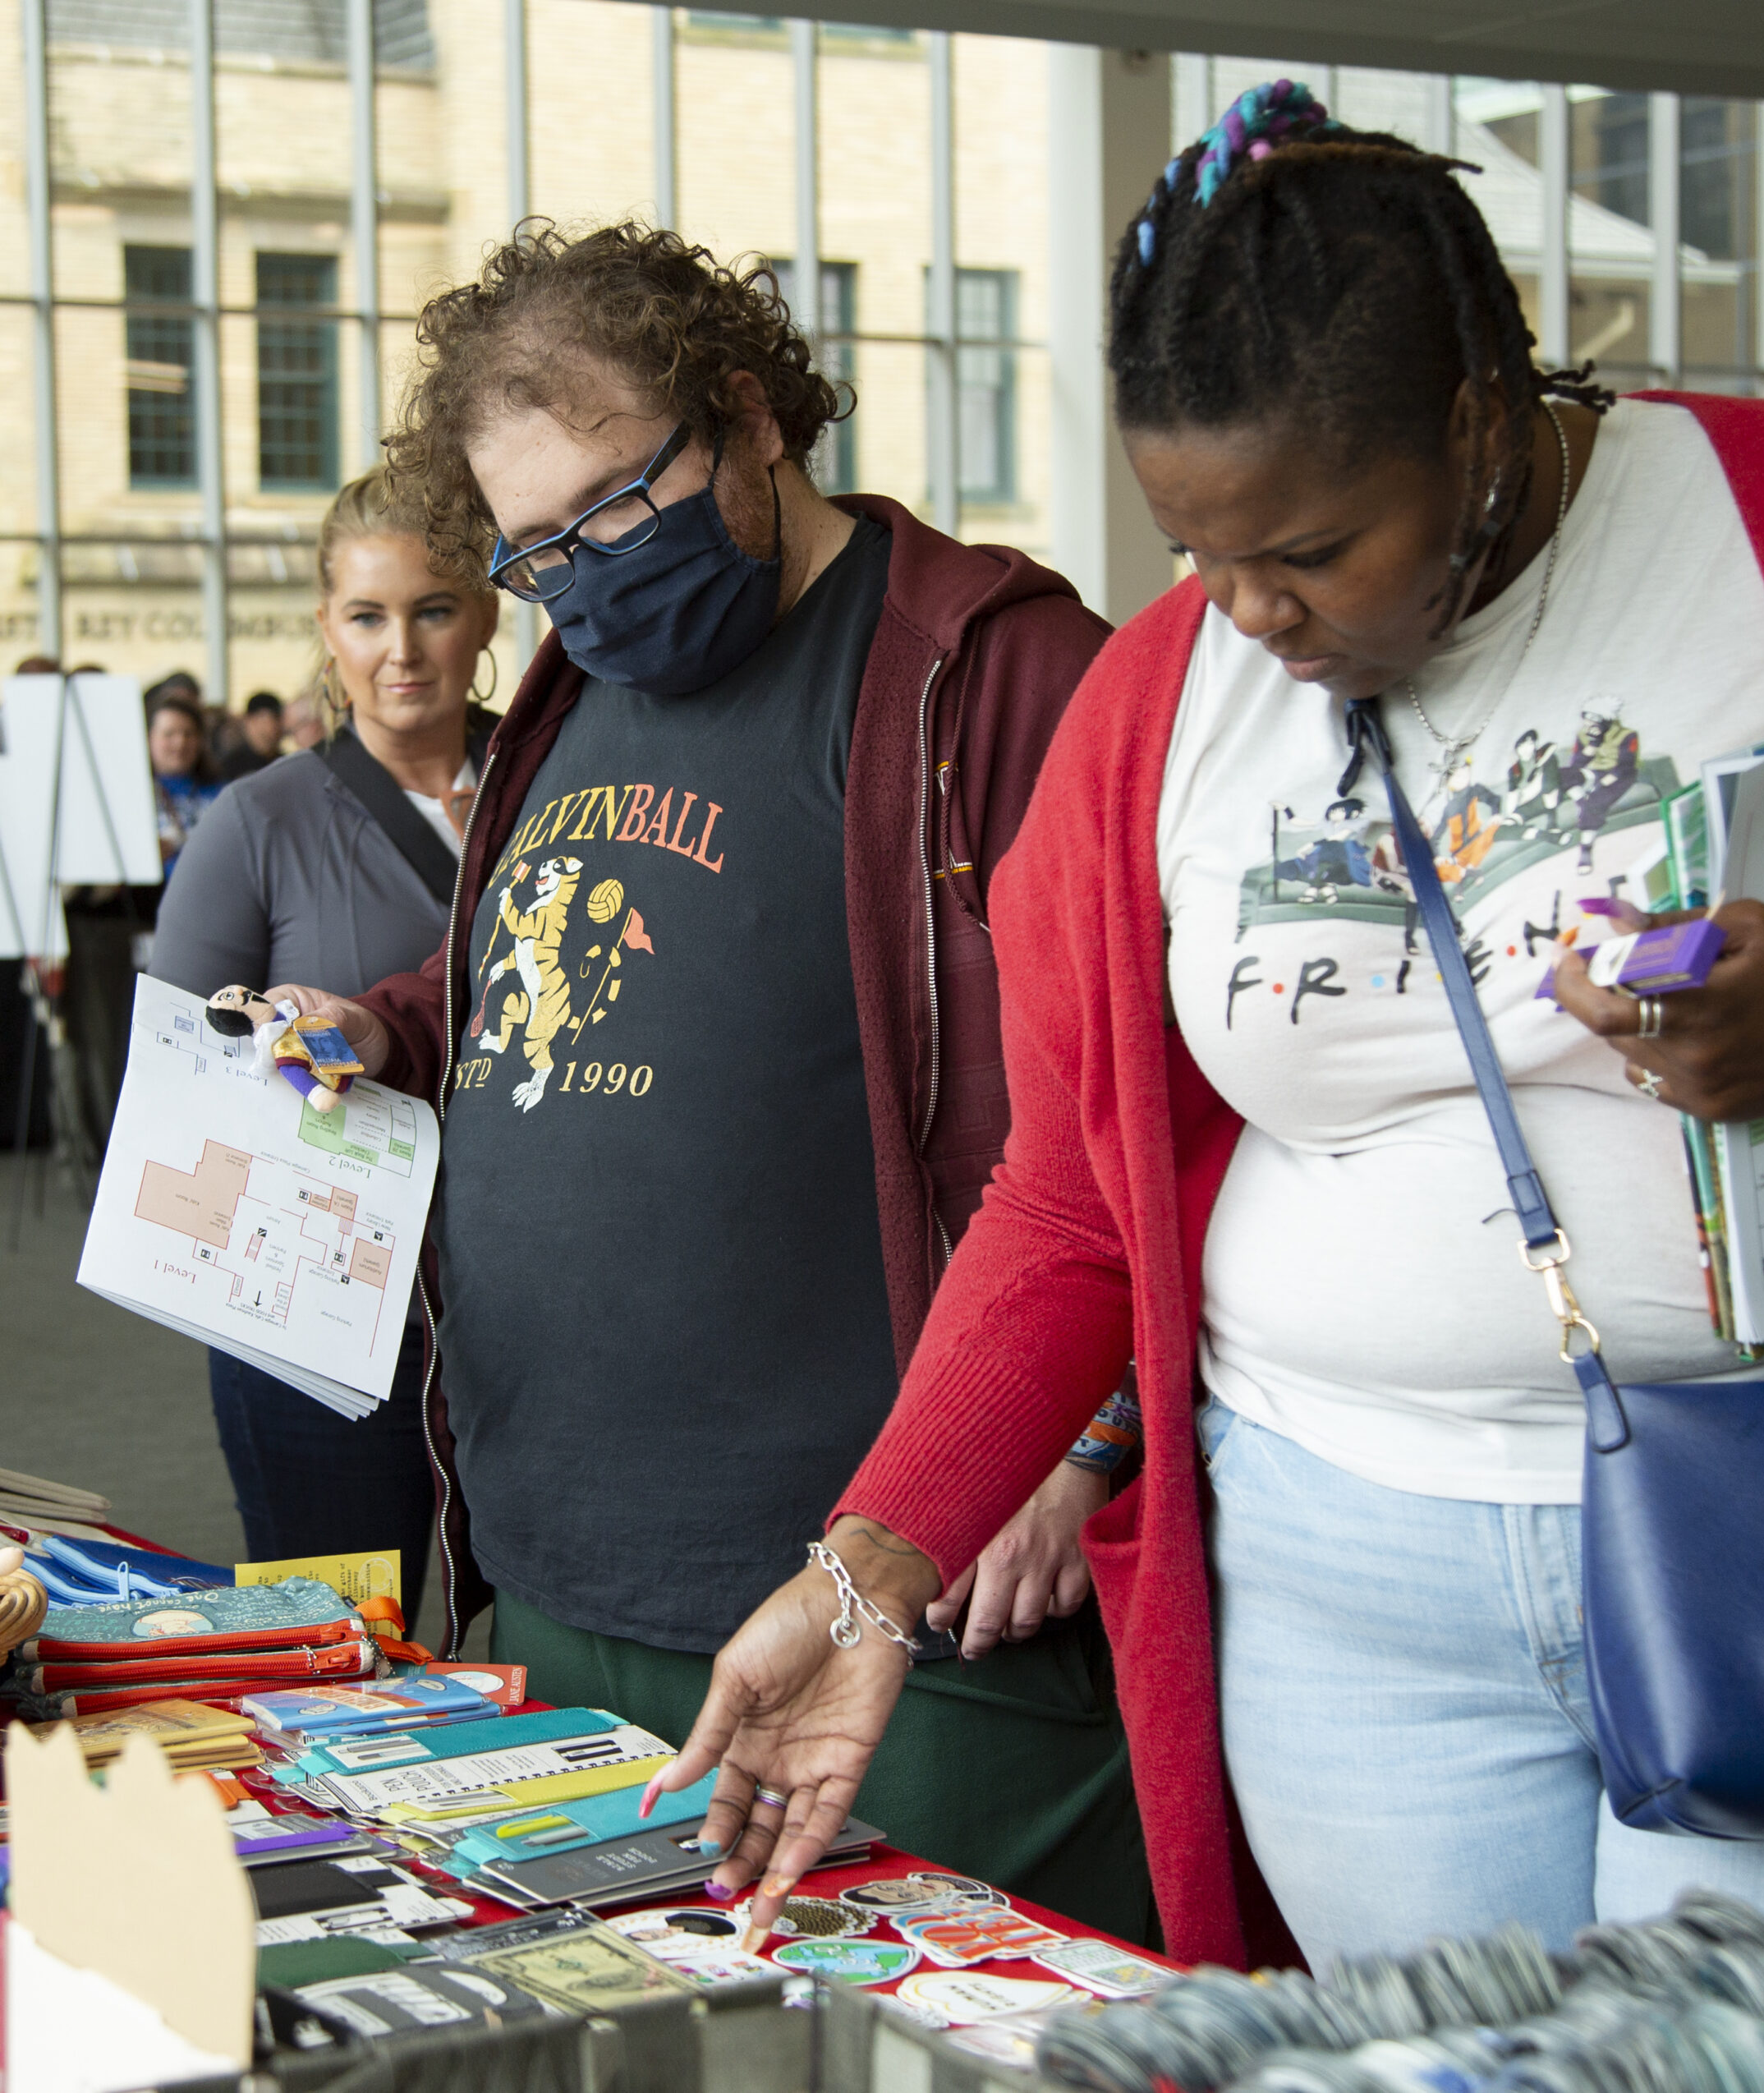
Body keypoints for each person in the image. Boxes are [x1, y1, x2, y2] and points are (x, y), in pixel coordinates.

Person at [654, 85, 1764, 1971]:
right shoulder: (1156, 712)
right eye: (1196, 551)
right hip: (1354, 1585)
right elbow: (1072, 1197)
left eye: (1314, 549)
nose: (1247, 612)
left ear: (1480, 421)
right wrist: (866, 1572)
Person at [258, 223, 1150, 1938]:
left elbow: (1141, 1097)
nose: (582, 578)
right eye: (533, 554)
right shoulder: (571, 689)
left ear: (747, 413)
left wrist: (1078, 1439)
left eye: (610, 509)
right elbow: (557, 970)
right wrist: (391, 1024)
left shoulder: (990, 668)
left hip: (896, 1599)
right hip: (559, 1568)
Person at [151, 469, 503, 1633]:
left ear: (491, 612)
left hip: (544, 1316)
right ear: (326, 629)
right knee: (341, 1654)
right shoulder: (255, 825)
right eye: (366, 615)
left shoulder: (561, 785)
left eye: (434, 608)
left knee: (549, 1660)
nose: (401, 648)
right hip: (321, 1332)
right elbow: (171, 1097)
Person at [145, 685, 218, 869]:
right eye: (169, 734)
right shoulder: (130, 797)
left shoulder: (224, 794)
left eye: (188, 734)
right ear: (149, 738)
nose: (180, 743)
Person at [216, 692, 285, 780]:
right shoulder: (231, 766)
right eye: (264, 720)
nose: (275, 727)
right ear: (249, 721)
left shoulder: (284, 762)